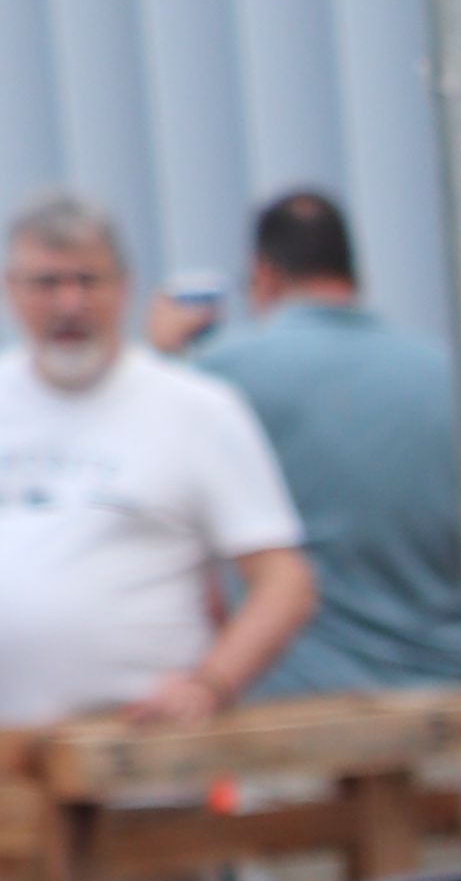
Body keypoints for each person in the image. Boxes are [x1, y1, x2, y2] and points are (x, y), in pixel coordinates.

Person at [0, 190, 313, 728]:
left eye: (88, 281)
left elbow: (284, 582)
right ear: (12, 289)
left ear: (125, 287)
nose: (69, 304)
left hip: (139, 748)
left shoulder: (195, 408)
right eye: (47, 283)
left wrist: (209, 685)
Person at [190, 188, 461, 694]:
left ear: (264, 275)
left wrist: (165, 353)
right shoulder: (454, 377)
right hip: (448, 693)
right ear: (352, 273)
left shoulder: (215, 379)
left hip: (293, 706)